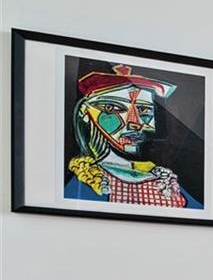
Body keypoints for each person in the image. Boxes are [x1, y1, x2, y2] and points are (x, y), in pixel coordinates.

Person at [65, 63, 201, 209]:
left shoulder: (165, 180)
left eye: (143, 110)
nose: (134, 122)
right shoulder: (87, 180)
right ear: (85, 112)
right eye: (113, 108)